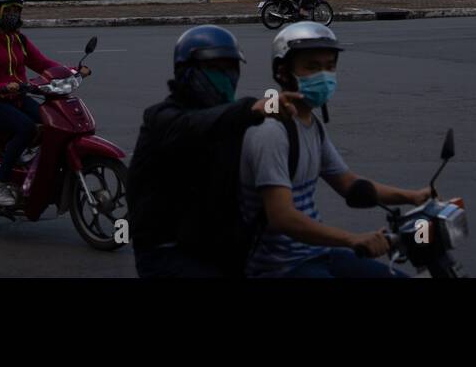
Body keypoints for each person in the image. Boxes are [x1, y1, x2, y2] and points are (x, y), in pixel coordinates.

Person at [239, 22, 431, 278]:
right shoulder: (271, 131)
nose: (324, 76)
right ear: (284, 72)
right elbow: (281, 217)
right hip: (282, 267)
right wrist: (352, 239)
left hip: (317, 254)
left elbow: (347, 182)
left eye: (330, 66)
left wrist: (414, 197)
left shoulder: (311, 125)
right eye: (312, 67)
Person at [128, 25, 302, 277]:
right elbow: (193, 126)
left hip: (217, 249)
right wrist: (253, 108)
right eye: (215, 69)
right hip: (166, 252)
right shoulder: (161, 118)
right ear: (185, 71)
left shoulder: (230, 121)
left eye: (231, 68)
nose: (226, 76)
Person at [0, 0, 90, 207]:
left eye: (17, 10)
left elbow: (43, 64)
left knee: (51, 122)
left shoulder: (19, 40)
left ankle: (26, 161)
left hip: (18, 97)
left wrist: (73, 70)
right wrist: (4, 87)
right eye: (8, 10)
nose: (13, 14)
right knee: (26, 128)